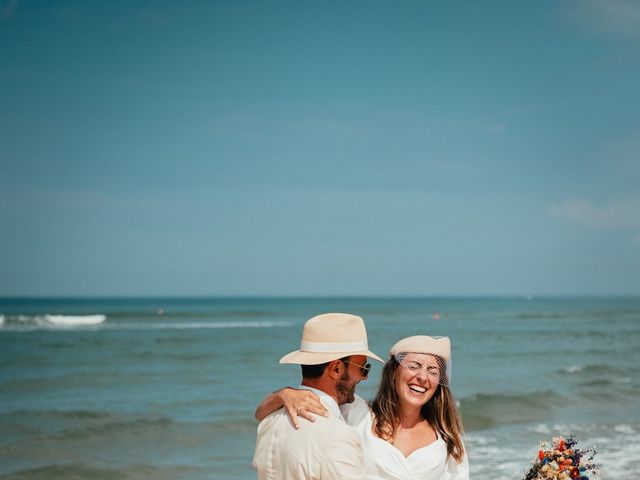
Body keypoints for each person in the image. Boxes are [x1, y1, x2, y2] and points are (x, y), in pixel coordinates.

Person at [255, 335, 469, 480]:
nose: (422, 377)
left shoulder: (447, 438)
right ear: (393, 372)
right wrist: (284, 394)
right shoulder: (358, 414)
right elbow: (262, 413)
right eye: (413, 366)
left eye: (432, 371)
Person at [252, 312, 384, 480]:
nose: (363, 378)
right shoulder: (337, 434)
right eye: (363, 368)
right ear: (336, 369)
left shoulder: (269, 420)